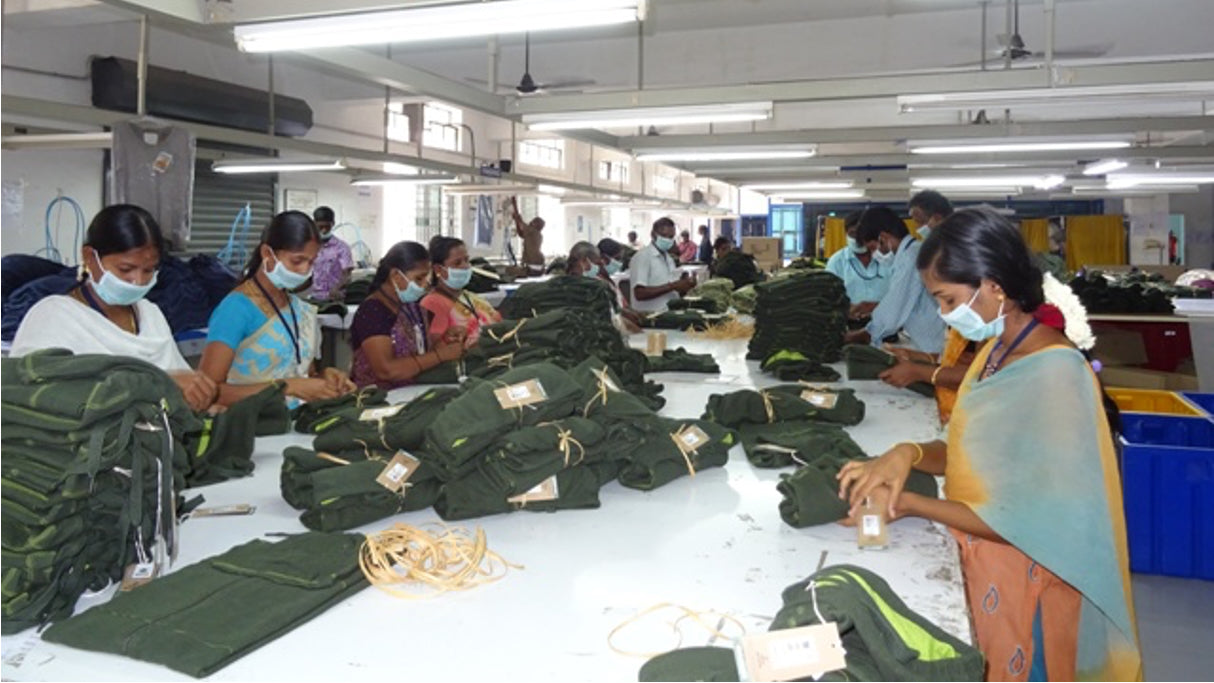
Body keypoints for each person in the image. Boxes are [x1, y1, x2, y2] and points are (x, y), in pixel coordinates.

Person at [838, 208, 1140, 681]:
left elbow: (1027, 522)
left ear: (993, 285)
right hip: (987, 561)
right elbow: (964, 448)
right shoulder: (996, 353)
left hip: (1034, 584)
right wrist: (906, 454)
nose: (944, 314)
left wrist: (911, 503)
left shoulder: (1055, 373)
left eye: (948, 299)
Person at [10, 204, 217, 412]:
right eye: (126, 269)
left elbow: (180, 380)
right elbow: (33, 397)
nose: (137, 281)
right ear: (90, 257)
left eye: (148, 270)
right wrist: (157, 384)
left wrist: (196, 393)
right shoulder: (53, 317)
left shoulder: (151, 315)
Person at [200, 210, 355, 406]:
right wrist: (286, 387)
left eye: (311, 262)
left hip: (295, 426)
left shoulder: (298, 308)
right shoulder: (236, 309)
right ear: (267, 253)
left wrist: (325, 377)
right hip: (251, 429)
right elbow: (208, 392)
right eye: (297, 260)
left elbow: (302, 374)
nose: (305, 270)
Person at [348, 241, 465, 390]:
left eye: (426, 279)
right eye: (419, 279)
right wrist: (440, 355)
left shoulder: (412, 308)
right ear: (396, 275)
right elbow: (386, 370)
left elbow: (421, 354)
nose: (424, 286)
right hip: (377, 399)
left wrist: (446, 341)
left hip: (412, 391)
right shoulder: (372, 312)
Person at [843, 207, 945, 354]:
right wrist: (875, 306)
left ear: (883, 238)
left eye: (873, 248)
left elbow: (894, 310)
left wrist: (865, 334)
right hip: (931, 343)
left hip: (937, 345)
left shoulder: (909, 258)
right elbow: (910, 300)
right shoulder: (912, 252)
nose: (873, 255)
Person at [421, 235, 502, 347]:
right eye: (457, 263)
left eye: (466, 260)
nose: (465, 266)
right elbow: (438, 349)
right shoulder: (432, 303)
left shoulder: (470, 297)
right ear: (438, 269)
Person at [825, 210, 889, 319]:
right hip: (850, 324)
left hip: (886, 323)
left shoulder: (887, 260)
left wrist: (876, 307)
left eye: (862, 234)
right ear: (846, 234)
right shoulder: (837, 261)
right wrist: (848, 308)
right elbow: (828, 298)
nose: (858, 239)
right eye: (853, 234)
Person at [575, 239, 643, 333]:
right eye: (616, 258)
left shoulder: (607, 280)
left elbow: (620, 306)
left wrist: (629, 312)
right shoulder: (589, 284)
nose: (618, 263)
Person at [629, 217, 695, 313]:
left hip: (668, 312)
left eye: (671, 237)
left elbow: (672, 287)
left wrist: (685, 285)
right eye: (665, 236)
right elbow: (639, 294)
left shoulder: (668, 259)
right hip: (650, 315)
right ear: (653, 235)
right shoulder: (643, 257)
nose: (669, 240)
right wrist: (672, 286)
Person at [309, 206, 354, 301]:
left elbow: (347, 275)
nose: (324, 230)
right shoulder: (311, 247)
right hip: (315, 297)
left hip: (335, 297)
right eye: (320, 227)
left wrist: (336, 288)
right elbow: (310, 275)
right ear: (314, 224)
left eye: (327, 226)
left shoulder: (341, 247)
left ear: (333, 224)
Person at [510, 196, 545, 275]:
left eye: (534, 222)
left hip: (533, 264)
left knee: (509, 271)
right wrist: (516, 220)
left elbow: (521, 222)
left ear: (537, 225)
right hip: (534, 264)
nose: (531, 222)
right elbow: (520, 233)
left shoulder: (534, 232)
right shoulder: (533, 235)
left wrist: (514, 205)